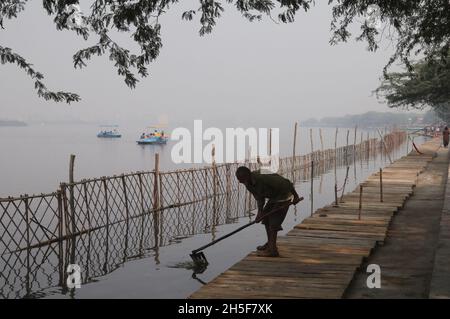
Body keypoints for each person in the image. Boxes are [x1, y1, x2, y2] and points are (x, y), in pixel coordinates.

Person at [235, 166, 303, 257]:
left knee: (274, 223)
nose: (240, 182)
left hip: (284, 194)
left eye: (241, 179)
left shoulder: (262, 178)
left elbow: (286, 184)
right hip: (274, 197)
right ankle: (270, 243)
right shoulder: (248, 184)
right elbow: (259, 198)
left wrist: (296, 196)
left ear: (247, 176)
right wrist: (260, 212)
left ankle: (273, 251)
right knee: (266, 219)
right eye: (239, 180)